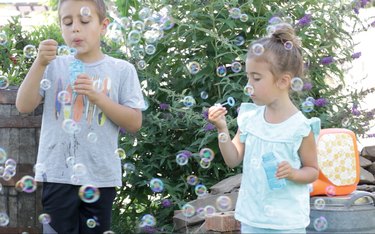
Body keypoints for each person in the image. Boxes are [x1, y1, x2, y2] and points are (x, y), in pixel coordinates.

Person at [16, 0, 145, 233]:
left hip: (101, 176)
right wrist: (39, 62)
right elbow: (23, 105)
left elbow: (134, 122)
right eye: (68, 22)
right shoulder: (53, 66)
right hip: (58, 175)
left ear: (103, 25)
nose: (75, 27)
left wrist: (99, 98)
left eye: (84, 21)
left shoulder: (122, 70)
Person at [208, 23, 321, 233]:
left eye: (256, 78)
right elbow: (233, 159)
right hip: (252, 219)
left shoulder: (300, 128)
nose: (248, 85)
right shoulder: (250, 118)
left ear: (283, 81)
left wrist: (294, 174)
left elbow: (313, 171)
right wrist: (222, 129)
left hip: (287, 223)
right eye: (247, 77)